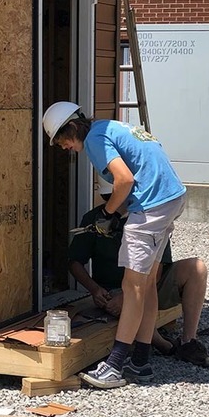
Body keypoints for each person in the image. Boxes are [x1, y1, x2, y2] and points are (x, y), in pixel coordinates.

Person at [43, 101, 187, 389]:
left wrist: (108, 214)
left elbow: (124, 180)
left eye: (62, 142)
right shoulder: (110, 127)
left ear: (70, 129)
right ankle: (141, 362)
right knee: (145, 286)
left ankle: (115, 365)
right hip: (171, 197)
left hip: (152, 206)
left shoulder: (95, 140)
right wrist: (115, 212)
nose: (64, 148)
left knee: (132, 287)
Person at [69, 181, 209, 369]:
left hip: (150, 286)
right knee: (130, 302)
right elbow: (74, 262)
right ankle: (163, 345)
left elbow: (157, 269)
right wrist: (95, 290)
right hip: (111, 292)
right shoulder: (93, 219)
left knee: (197, 268)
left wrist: (127, 296)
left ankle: (188, 341)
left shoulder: (152, 218)